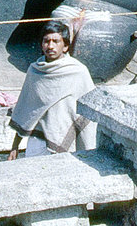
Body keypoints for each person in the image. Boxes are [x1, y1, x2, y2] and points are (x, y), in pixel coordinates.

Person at [7, 20, 96, 159]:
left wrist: (89, 150)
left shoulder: (78, 72)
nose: (50, 46)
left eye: (56, 41)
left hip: (63, 139)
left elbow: (88, 111)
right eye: (46, 41)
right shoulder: (35, 71)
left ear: (65, 46)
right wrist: (15, 146)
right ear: (41, 45)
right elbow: (25, 108)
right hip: (37, 140)